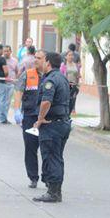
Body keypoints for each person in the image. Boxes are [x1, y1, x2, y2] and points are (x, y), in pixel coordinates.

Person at [32, 50, 72, 203]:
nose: (39, 62)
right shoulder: (61, 77)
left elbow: (46, 101)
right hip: (62, 122)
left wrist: (40, 119)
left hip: (52, 124)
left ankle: (53, 192)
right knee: (57, 157)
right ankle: (55, 191)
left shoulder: (51, 80)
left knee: (51, 158)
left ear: (48, 62)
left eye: (42, 59)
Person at [12, 53, 43, 188]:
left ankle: (48, 177)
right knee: (30, 147)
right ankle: (33, 177)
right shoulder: (27, 74)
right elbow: (18, 92)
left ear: (46, 61)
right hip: (30, 116)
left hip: (46, 118)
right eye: (35, 57)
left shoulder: (52, 76)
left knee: (47, 148)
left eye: (39, 58)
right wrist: (17, 110)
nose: (35, 60)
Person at [62, 50, 80, 115]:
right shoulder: (63, 65)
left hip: (74, 85)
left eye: (72, 55)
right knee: (66, 99)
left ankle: (73, 110)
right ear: (66, 57)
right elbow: (61, 75)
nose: (71, 56)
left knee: (73, 98)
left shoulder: (76, 65)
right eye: (69, 55)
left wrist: (77, 84)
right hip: (66, 85)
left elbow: (78, 75)